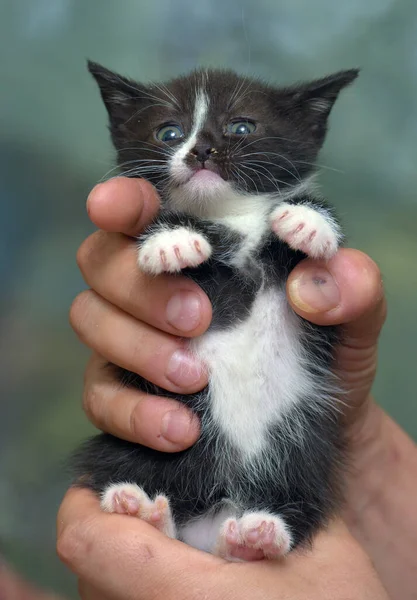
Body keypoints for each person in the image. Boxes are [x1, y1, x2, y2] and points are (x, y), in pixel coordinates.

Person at [57, 177, 417, 599]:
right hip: (202, 462)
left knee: (283, 488)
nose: (202, 154)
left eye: (241, 129)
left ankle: (197, 529)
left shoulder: (285, 225)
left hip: (275, 466)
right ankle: (176, 522)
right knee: (159, 441)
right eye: (172, 136)